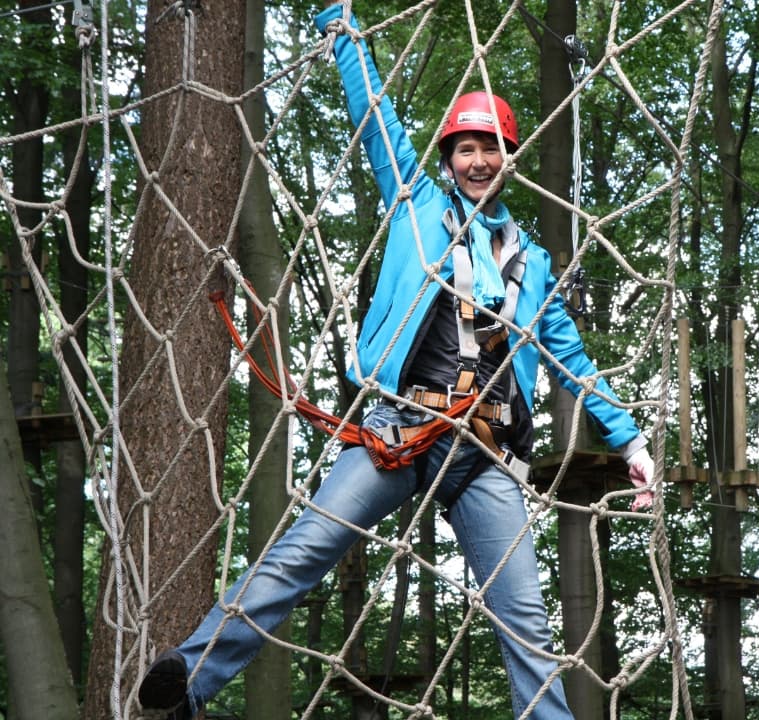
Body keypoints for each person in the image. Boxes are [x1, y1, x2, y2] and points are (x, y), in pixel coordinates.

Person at [137, 3, 655, 718]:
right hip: (401, 431)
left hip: (486, 449)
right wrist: (346, 35)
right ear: (447, 158)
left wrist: (628, 440)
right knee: (301, 553)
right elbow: (375, 120)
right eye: (464, 149)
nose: (477, 161)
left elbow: (569, 356)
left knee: (527, 622)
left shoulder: (531, 263)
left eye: (491, 148)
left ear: (509, 158)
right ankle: (186, 683)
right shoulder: (414, 207)